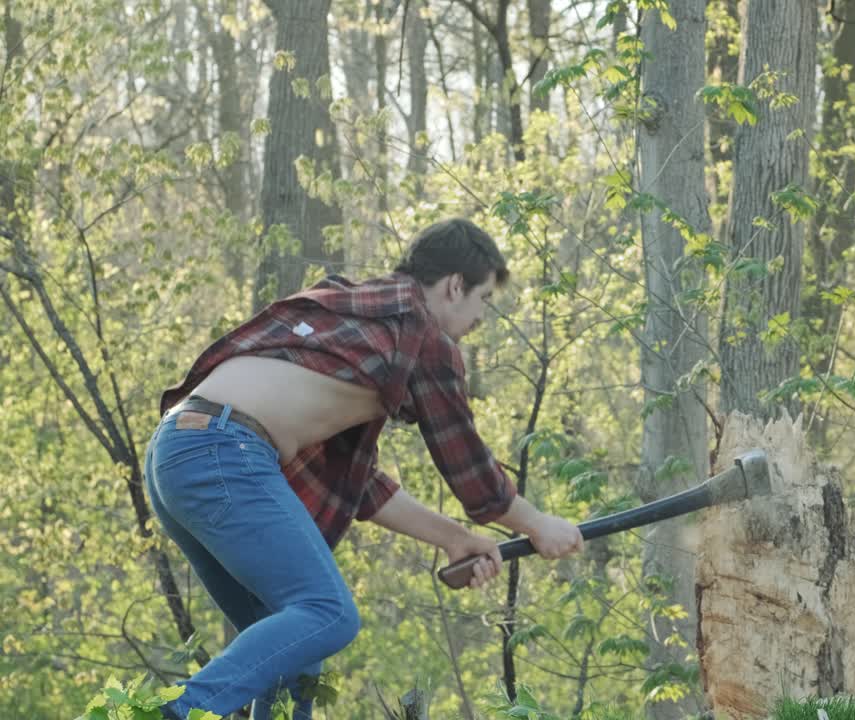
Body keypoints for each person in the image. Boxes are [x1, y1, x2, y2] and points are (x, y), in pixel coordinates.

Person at [145, 218, 584, 720]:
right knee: (327, 613)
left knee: (297, 651)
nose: (482, 316)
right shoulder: (422, 335)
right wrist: (539, 524)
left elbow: (364, 487)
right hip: (223, 451)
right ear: (454, 286)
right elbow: (474, 477)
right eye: (483, 298)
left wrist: (454, 539)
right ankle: (174, 713)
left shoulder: (363, 321)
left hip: (177, 451)